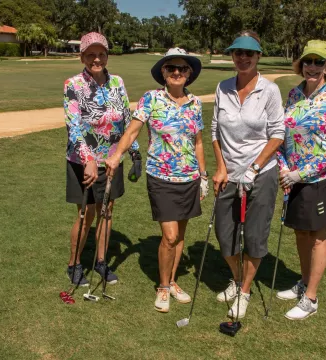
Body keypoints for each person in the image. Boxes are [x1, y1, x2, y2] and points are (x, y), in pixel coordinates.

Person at [106, 48, 208, 313]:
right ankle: (163, 286)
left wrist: (204, 175)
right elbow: (132, 131)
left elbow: (198, 143)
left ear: (189, 74)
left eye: (182, 69)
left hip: (189, 177)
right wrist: (117, 155)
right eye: (171, 68)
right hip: (161, 176)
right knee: (170, 235)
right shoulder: (151, 99)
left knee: (181, 234)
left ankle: (173, 281)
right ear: (163, 72)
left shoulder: (195, 103)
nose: (176, 73)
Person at [211, 30, 285, 319]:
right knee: (224, 232)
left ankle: (244, 291)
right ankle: (238, 278)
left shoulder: (269, 91)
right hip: (228, 173)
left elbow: (278, 133)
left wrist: (254, 168)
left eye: (249, 54)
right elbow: (215, 129)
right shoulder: (223, 87)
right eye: (238, 53)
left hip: (262, 173)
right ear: (232, 56)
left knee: (254, 236)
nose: (243, 58)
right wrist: (220, 167)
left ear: (258, 57)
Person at [276, 40, 326, 320]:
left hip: (321, 179)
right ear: (301, 64)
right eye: (308, 61)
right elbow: (282, 136)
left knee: (317, 236)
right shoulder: (294, 94)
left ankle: (311, 298)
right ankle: (303, 282)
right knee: (300, 231)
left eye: (319, 62)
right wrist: (284, 169)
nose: (313, 67)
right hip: (292, 178)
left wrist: (301, 173)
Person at [64, 32, 139, 287]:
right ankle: (73, 264)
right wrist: (88, 159)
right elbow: (73, 127)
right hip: (82, 160)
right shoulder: (73, 85)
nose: (97, 59)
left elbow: (127, 120)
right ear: (82, 56)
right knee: (87, 214)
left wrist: (135, 151)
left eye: (101, 54)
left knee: (107, 212)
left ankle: (101, 261)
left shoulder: (117, 82)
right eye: (91, 54)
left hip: (112, 160)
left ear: (107, 55)